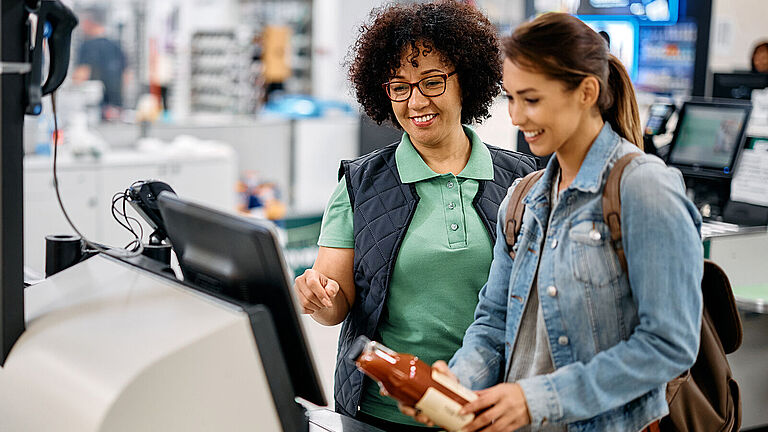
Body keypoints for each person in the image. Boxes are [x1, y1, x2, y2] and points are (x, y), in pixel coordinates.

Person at [401, 12, 703, 432]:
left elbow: (668, 345)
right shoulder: (524, 198)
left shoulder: (645, 191)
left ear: (586, 92)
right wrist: (456, 385)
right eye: (511, 98)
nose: (516, 117)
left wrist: (537, 399)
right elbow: (492, 322)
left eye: (532, 99)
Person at [292, 2, 536, 430]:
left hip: (491, 411)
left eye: (432, 81)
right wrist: (320, 298)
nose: (416, 101)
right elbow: (335, 304)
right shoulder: (360, 185)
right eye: (399, 87)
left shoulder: (522, 180)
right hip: (383, 414)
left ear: (467, 80)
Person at [72, 7, 128, 120]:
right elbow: (126, 76)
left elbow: (81, 76)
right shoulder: (117, 45)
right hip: (117, 110)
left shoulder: (87, 46)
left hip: (95, 112)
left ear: (89, 23)